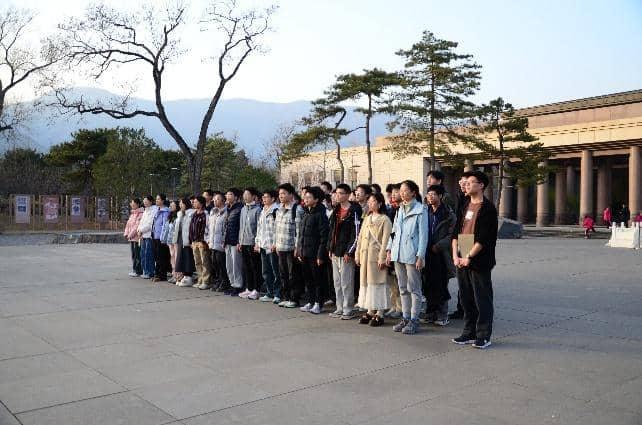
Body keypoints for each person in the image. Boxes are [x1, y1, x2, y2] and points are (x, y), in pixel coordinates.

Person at [451, 170, 498, 349]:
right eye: (466, 182)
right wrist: (456, 255)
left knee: (482, 298)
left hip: (479, 257)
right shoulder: (465, 205)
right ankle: (469, 332)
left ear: (481, 185)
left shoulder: (488, 208)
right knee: (466, 297)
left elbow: (484, 238)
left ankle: (483, 335)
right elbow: (456, 231)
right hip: (463, 250)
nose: (467, 185)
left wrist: (469, 256)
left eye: (471, 182)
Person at [386, 180, 428, 335]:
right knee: (402, 288)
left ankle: (414, 320)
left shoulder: (421, 210)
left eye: (405, 191)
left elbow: (423, 235)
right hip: (398, 253)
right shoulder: (400, 210)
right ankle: (405, 317)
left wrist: (420, 256)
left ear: (413, 193)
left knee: (414, 289)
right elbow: (394, 232)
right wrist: (389, 250)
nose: (402, 193)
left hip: (411, 254)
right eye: (400, 191)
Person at [355, 193, 392, 327]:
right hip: (366, 256)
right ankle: (370, 310)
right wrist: (357, 254)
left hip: (376, 257)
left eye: (373, 201)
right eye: (369, 202)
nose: (370, 204)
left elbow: (386, 240)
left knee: (378, 283)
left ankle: (380, 312)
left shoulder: (385, 220)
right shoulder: (367, 218)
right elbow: (360, 238)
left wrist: (382, 257)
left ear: (380, 203)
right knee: (367, 283)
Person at [327, 183, 362, 320]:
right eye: (336, 193)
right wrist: (330, 248)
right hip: (335, 251)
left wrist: (350, 251)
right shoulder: (336, 210)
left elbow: (356, 233)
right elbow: (331, 231)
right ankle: (339, 307)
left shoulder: (354, 211)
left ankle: (348, 308)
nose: (338, 195)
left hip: (346, 252)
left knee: (346, 282)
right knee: (337, 282)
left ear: (347, 195)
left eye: (341, 193)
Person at [424, 185, 456, 326]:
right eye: (429, 194)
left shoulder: (448, 214)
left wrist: (439, 245)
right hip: (427, 252)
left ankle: (443, 315)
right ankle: (430, 313)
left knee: (441, 285)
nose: (430, 197)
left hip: (441, 254)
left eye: (434, 194)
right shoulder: (425, 212)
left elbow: (452, 234)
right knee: (428, 283)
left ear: (441, 196)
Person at [297, 186, 329, 315]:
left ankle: (318, 303)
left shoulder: (320, 214)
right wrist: (300, 250)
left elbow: (324, 236)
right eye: (305, 197)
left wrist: (320, 255)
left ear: (316, 200)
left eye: (309, 197)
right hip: (305, 252)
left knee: (318, 280)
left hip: (315, 253)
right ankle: (310, 301)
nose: (305, 199)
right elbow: (301, 234)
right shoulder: (306, 213)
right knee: (308, 279)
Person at [274, 183, 305, 308]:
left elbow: (299, 231)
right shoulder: (279, 210)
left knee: (293, 274)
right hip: (281, 247)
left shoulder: (297, 209)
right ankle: (286, 297)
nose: (281, 196)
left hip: (292, 248)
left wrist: (297, 247)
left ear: (291, 195)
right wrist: (276, 244)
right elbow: (276, 229)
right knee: (283, 274)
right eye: (280, 194)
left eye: (283, 193)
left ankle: (294, 298)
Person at [449, 171, 473, 321]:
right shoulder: (461, 198)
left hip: (469, 239)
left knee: (469, 278)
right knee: (462, 278)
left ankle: (469, 309)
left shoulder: (474, 201)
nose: (462, 185)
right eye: (461, 183)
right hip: (462, 238)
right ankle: (462, 308)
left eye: (465, 183)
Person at [255, 189, 281, 303]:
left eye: (266, 197)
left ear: (273, 198)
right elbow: (259, 228)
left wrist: (275, 243)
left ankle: (278, 294)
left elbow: (277, 229)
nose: (264, 199)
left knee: (275, 271)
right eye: (263, 197)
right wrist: (257, 242)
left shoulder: (276, 210)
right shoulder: (262, 211)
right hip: (263, 245)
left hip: (272, 245)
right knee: (265, 271)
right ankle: (269, 293)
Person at [238, 187, 262, 300]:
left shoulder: (257, 210)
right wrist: (239, 241)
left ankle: (256, 289)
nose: (245, 196)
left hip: (253, 243)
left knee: (255, 267)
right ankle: (249, 288)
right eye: (244, 194)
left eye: (247, 194)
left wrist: (257, 242)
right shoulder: (243, 209)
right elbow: (241, 226)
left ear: (253, 196)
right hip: (243, 242)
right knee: (247, 267)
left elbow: (259, 228)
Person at [384, 183, 403, 319]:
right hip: (391, 249)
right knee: (392, 281)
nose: (393, 195)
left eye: (396, 192)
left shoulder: (403, 209)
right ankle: (394, 305)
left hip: (402, 251)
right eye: (392, 193)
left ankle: (401, 308)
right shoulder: (392, 210)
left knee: (401, 282)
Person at [224, 188, 244, 295]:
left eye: (230, 194)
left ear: (236, 197)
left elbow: (241, 227)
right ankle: (232, 284)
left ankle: (238, 286)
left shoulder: (240, 208)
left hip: (235, 241)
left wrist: (239, 241)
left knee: (236, 265)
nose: (227, 196)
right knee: (229, 266)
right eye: (227, 194)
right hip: (227, 241)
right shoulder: (228, 208)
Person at [207, 193, 229, 292]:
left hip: (220, 243)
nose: (215, 201)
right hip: (212, 242)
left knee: (221, 263)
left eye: (218, 199)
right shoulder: (212, 211)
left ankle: (224, 282)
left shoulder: (226, 212)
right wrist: (208, 239)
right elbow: (208, 227)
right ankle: (218, 281)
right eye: (214, 199)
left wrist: (224, 240)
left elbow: (226, 228)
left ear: (223, 200)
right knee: (214, 263)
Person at [190, 196, 212, 290]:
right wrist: (191, 240)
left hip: (202, 242)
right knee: (197, 262)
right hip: (194, 241)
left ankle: (206, 281)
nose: (194, 203)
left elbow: (207, 228)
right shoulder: (194, 214)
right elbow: (191, 227)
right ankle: (200, 279)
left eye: (196, 202)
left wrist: (205, 241)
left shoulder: (205, 214)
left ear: (201, 203)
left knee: (205, 262)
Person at [173, 197, 195, 287]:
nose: (180, 205)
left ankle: (189, 276)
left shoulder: (191, 213)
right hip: (180, 237)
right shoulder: (180, 214)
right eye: (180, 204)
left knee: (188, 257)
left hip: (187, 238)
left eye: (182, 203)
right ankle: (183, 275)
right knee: (181, 257)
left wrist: (191, 239)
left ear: (186, 204)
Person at [137, 195, 158, 279]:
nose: (144, 202)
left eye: (146, 200)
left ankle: (150, 272)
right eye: (144, 200)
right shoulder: (145, 210)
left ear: (151, 201)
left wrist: (141, 230)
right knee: (143, 254)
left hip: (149, 235)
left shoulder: (154, 210)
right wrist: (139, 230)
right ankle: (145, 271)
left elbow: (150, 224)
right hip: (143, 235)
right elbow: (141, 222)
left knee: (148, 254)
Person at [151, 194, 171, 282]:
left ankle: (162, 275)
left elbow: (165, 226)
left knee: (161, 257)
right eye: (156, 199)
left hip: (161, 238)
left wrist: (163, 237)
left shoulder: (165, 212)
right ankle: (157, 273)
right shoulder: (157, 210)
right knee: (156, 256)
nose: (156, 200)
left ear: (163, 201)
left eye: (158, 199)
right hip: (155, 236)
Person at [123, 198, 144, 277]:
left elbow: (136, 226)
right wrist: (126, 233)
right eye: (131, 203)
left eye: (133, 203)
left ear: (137, 204)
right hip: (131, 238)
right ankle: (135, 269)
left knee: (137, 255)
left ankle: (138, 270)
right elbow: (128, 225)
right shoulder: (133, 214)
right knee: (133, 254)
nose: (131, 204)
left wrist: (130, 235)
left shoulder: (140, 214)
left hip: (136, 238)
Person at [161, 200, 179, 283]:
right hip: (169, 241)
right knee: (172, 257)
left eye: (173, 205)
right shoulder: (170, 216)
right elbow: (166, 229)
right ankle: (173, 274)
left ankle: (178, 275)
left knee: (176, 257)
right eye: (170, 206)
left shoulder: (178, 216)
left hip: (175, 241)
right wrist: (164, 239)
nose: (170, 207)